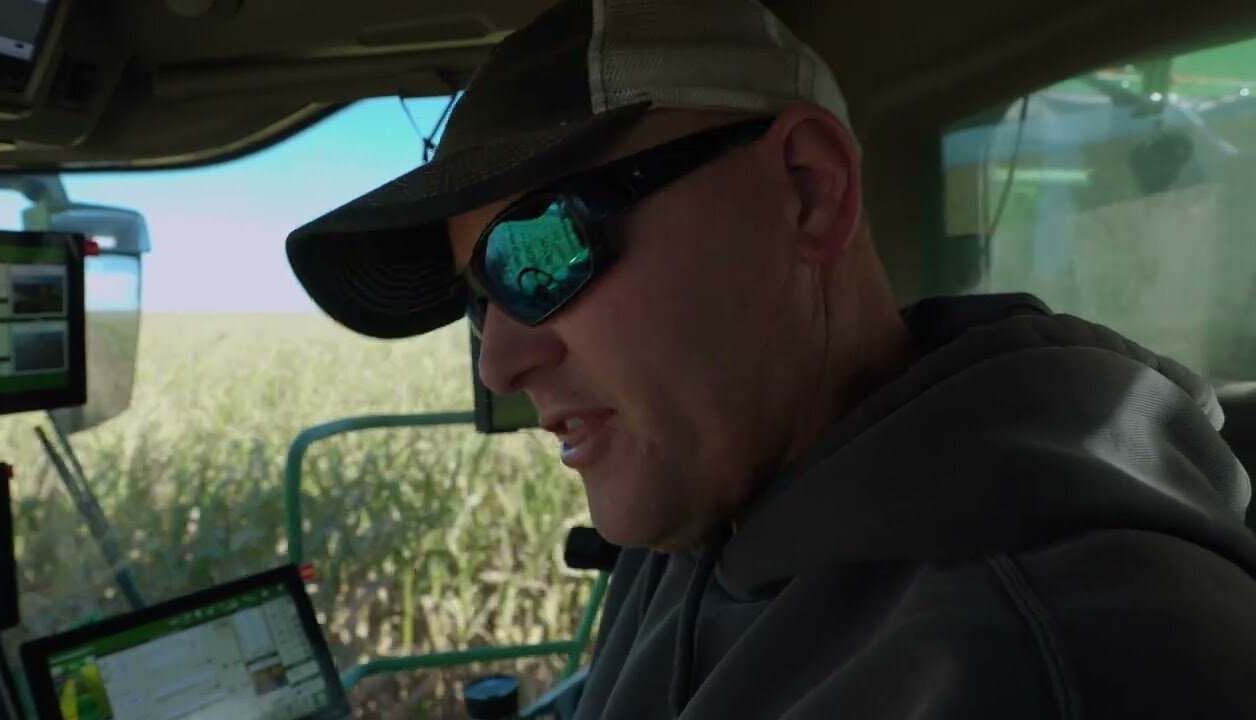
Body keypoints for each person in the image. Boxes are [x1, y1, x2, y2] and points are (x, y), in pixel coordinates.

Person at [287, 0, 1256, 717]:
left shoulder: (1038, 663)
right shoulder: (706, 498)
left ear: (807, 192)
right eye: (479, 297)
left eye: (537, 250)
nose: (496, 361)